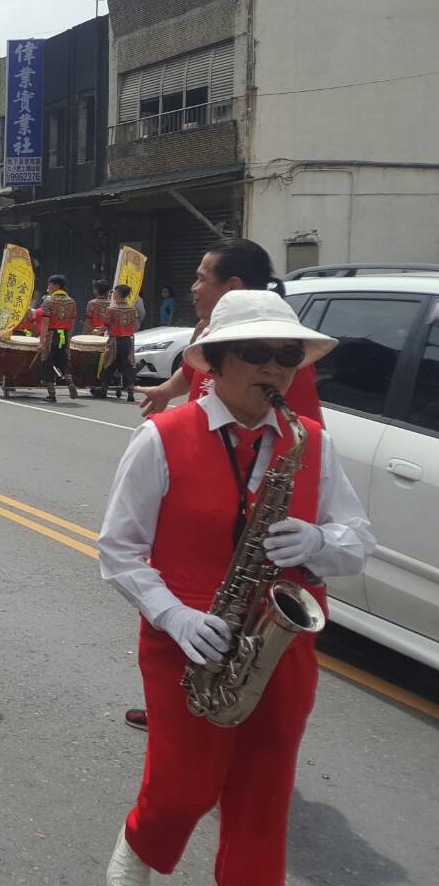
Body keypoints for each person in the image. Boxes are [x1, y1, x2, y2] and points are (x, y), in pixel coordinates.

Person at [97, 290, 371, 886]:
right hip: (188, 645)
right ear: (217, 362)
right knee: (184, 785)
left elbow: (358, 540)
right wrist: (175, 617)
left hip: (281, 652)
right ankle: (138, 846)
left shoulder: (311, 444)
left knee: (264, 796)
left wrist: (322, 544)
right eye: (257, 353)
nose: (275, 368)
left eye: (288, 356)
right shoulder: (162, 437)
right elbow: (117, 550)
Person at [138, 240, 323, 422]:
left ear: (233, 286)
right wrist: (164, 391)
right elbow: (189, 373)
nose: (194, 288)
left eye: (202, 279)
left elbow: (306, 435)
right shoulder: (211, 333)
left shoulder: (284, 357)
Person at [33, 274, 79, 402]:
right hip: (64, 335)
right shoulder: (72, 301)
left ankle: (51, 394)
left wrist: (42, 341)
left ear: (56, 285)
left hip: (51, 335)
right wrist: (69, 336)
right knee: (63, 360)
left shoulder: (49, 301)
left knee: (48, 362)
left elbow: (45, 323)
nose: (48, 287)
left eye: (50, 284)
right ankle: (69, 380)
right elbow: (72, 322)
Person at [101, 285, 140, 400]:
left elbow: (106, 326)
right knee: (128, 365)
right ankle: (130, 391)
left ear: (117, 294)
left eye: (114, 292)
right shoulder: (132, 309)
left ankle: (104, 389)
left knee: (109, 364)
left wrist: (97, 331)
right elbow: (134, 325)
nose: (113, 294)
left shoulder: (111, 309)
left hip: (115, 341)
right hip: (128, 340)